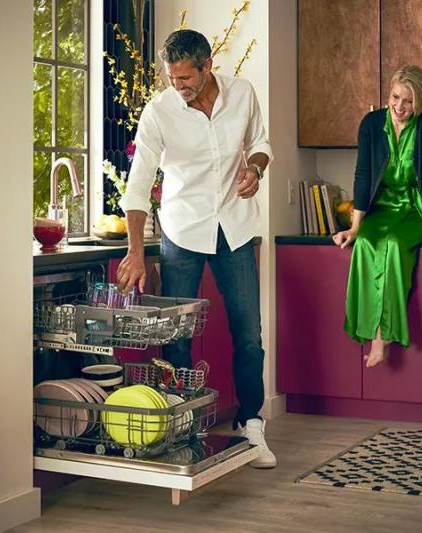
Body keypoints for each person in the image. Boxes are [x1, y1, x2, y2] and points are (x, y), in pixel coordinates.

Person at [116, 29, 275, 468]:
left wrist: (255, 170)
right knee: (177, 336)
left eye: (185, 77)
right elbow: (138, 184)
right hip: (182, 232)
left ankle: (251, 423)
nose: (177, 85)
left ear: (208, 67)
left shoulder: (241, 93)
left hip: (234, 229)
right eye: (171, 77)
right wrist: (135, 251)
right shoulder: (159, 112)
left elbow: (260, 144)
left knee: (249, 334)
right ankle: (180, 426)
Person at [332, 64, 422, 368]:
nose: (400, 107)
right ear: (388, 93)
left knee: (392, 243)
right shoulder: (371, 124)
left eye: (408, 101)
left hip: (416, 207)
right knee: (364, 244)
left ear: (420, 101)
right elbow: (363, 175)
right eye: (395, 98)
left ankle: (383, 336)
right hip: (381, 206)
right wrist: (354, 228)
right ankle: (371, 329)